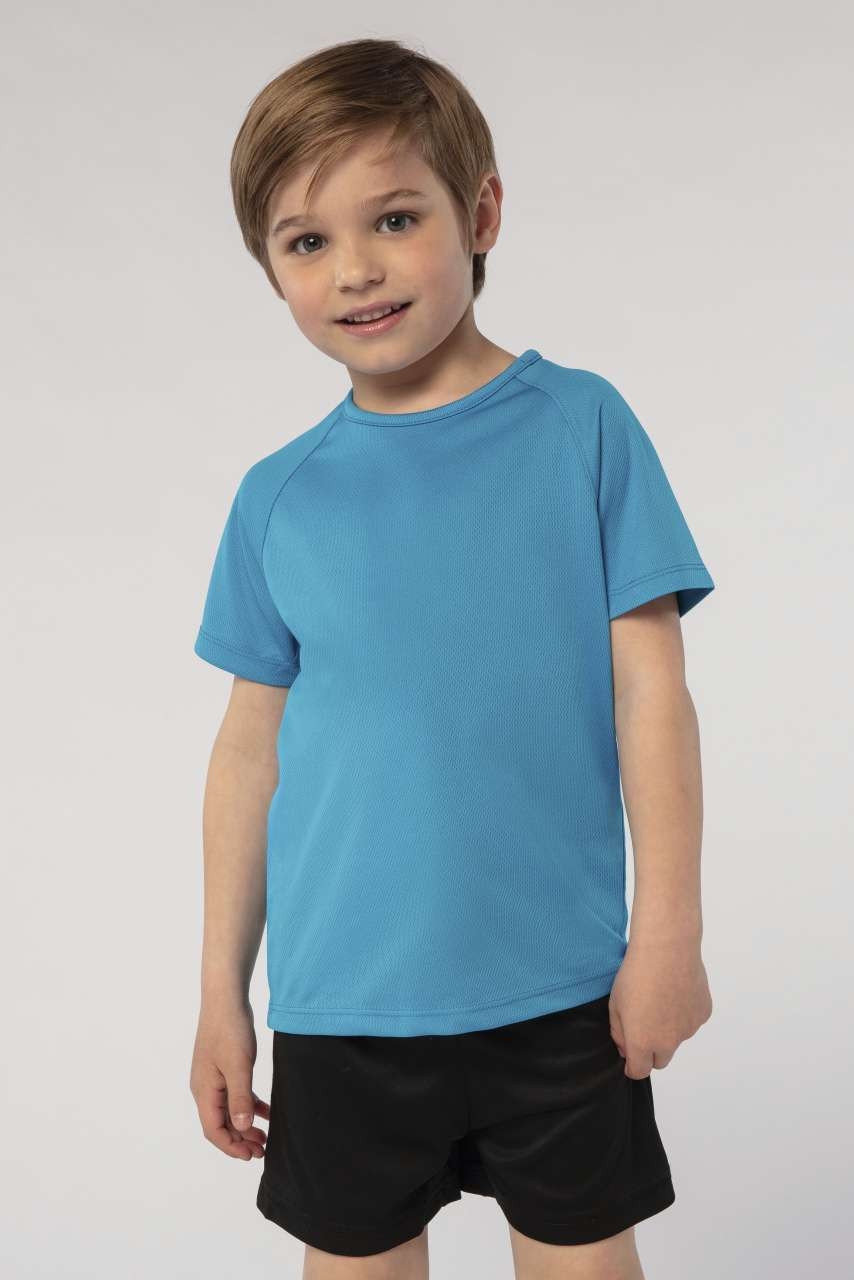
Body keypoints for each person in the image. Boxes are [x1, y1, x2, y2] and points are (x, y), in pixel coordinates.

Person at [189, 36, 715, 1280]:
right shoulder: (278, 498)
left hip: (560, 989)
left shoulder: (580, 427)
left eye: (394, 217)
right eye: (305, 240)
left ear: (478, 215)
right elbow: (249, 756)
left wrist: (668, 932)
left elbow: (650, 691)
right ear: (269, 268)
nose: (355, 268)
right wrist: (220, 991)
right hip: (343, 1002)